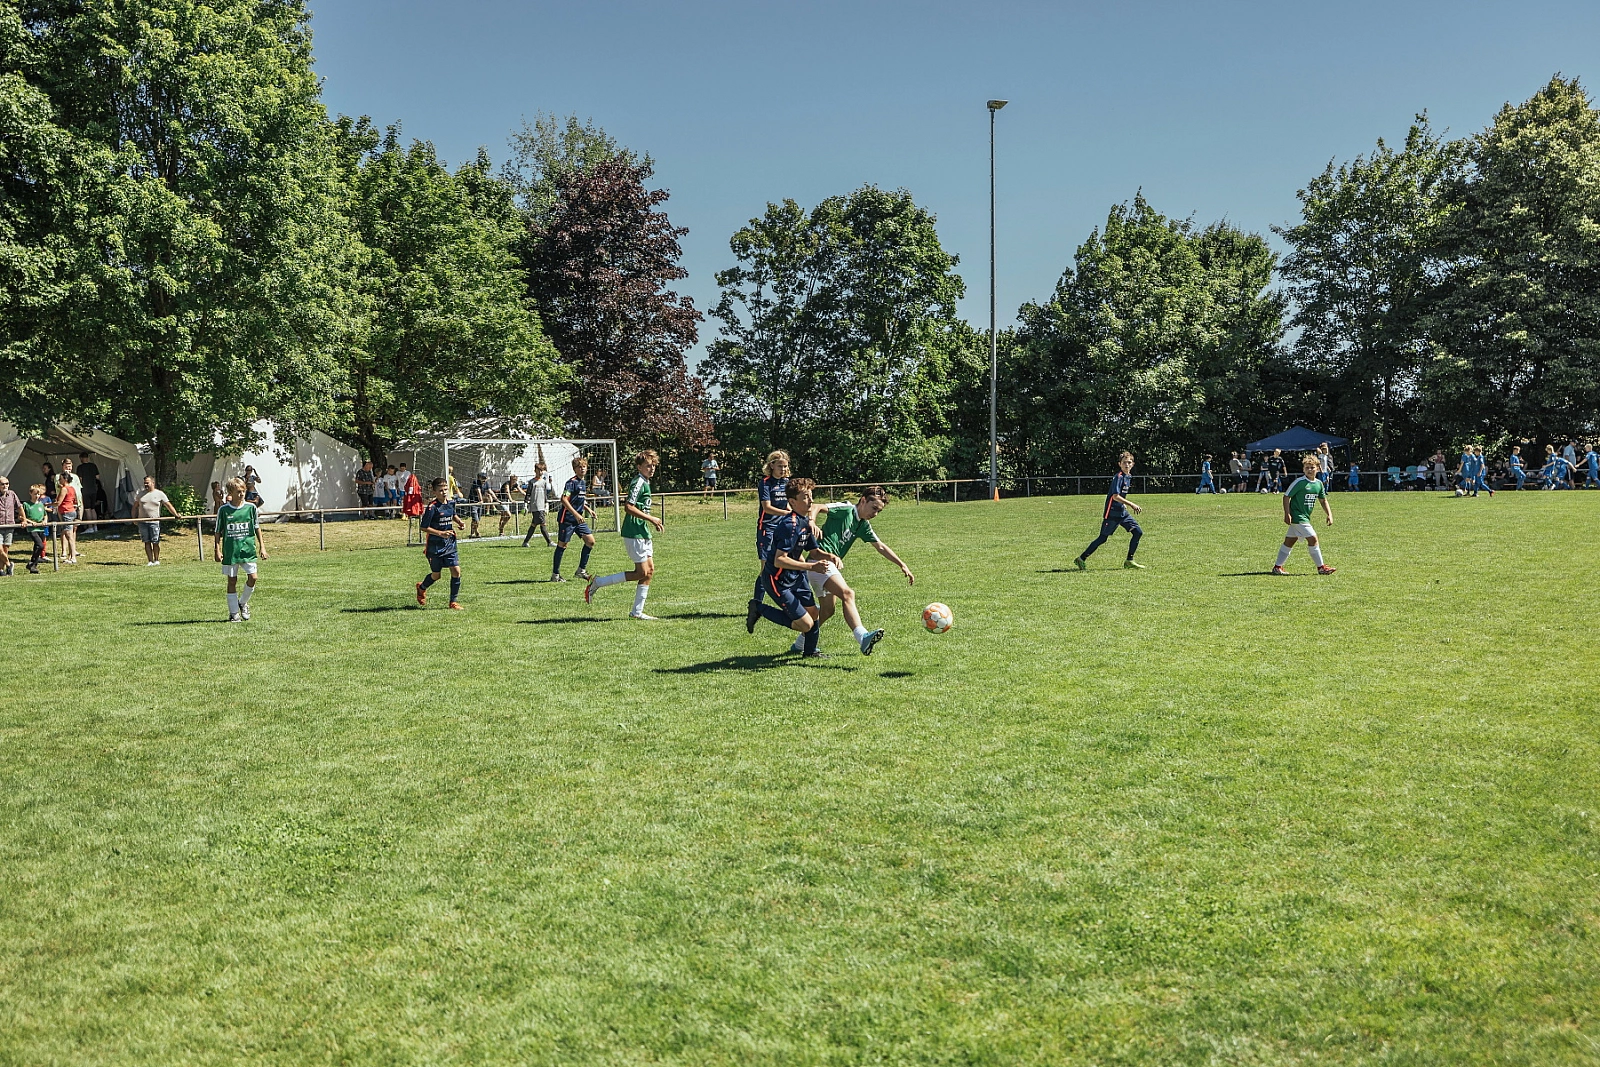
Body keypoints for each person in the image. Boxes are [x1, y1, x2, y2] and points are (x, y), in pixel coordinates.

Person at [792, 485, 913, 656]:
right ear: (863, 501)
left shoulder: (862, 525)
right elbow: (817, 506)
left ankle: (800, 643)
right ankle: (862, 637)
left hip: (825, 566)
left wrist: (902, 564)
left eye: (879, 511)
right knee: (848, 594)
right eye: (874, 508)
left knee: (827, 611)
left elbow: (880, 546)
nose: (875, 514)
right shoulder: (846, 509)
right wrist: (811, 521)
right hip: (820, 562)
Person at [744, 476, 828, 657]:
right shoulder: (789, 525)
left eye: (811, 495)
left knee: (813, 613)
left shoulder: (805, 522)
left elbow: (814, 552)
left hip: (796, 576)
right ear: (792, 502)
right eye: (805, 497)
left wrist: (829, 556)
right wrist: (811, 567)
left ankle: (810, 652)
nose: (811, 500)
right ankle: (759, 608)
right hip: (777, 580)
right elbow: (779, 560)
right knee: (805, 624)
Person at [586, 450, 665, 620]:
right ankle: (598, 582)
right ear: (639, 467)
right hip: (633, 531)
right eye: (648, 466)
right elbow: (628, 507)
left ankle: (637, 612)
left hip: (642, 531)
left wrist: (651, 522)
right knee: (642, 572)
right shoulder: (638, 482)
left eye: (653, 465)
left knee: (649, 571)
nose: (651, 468)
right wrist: (651, 518)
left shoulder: (645, 481)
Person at [1073, 451, 1145, 570]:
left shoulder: (1128, 477)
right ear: (1119, 464)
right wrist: (1131, 504)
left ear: (1133, 464)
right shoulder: (1119, 477)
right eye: (1124, 463)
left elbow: (1121, 495)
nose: (1127, 465)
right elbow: (1115, 496)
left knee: (1138, 532)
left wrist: (1123, 504)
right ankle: (1081, 558)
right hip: (1112, 513)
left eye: (1129, 462)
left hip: (1122, 513)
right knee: (1103, 538)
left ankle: (1129, 560)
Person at [1271, 454, 1335, 576]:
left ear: (1318, 468)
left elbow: (1323, 500)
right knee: (1313, 539)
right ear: (1303, 469)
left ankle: (1277, 567)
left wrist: (1329, 515)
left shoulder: (1319, 484)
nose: (1310, 470)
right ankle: (1321, 568)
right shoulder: (1299, 482)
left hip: (1305, 517)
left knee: (1289, 541)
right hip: (1298, 517)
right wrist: (1287, 514)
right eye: (1307, 468)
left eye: (1312, 467)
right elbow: (1286, 496)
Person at [214, 477, 267, 621]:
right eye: (238, 491)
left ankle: (243, 603)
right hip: (231, 551)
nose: (242, 494)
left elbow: (256, 527)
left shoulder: (251, 508)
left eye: (243, 491)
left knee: (253, 577)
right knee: (232, 581)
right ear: (230, 492)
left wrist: (262, 547)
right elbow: (218, 531)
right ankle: (233, 614)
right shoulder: (224, 510)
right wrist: (217, 550)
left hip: (248, 550)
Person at [415, 477, 465, 610]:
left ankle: (453, 602)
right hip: (435, 546)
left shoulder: (451, 503)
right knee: (436, 575)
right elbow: (424, 527)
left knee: (456, 571)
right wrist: (440, 533)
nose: (444, 492)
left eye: (446, 489)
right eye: (441, 490)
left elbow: (452, 514)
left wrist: (459, 522)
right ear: (434, 492)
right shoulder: (432, 508)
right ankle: (421, 587)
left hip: (449, 544)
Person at [753, 450, 791, 602]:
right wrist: (787, 513)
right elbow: (767, 507)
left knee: (788, 564)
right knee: (765, 569)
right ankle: (756, 604)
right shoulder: (765, 483)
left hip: (783, 529)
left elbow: (788, 504)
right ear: (772, 465)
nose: (783, 469)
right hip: (767, 529)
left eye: (785, 466)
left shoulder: (787, 483)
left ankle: (792, 603)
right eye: (780, 466)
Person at [551, 455, 595, 583]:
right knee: (562, 545)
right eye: (579, 467)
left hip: (578, 520)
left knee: (590, 541)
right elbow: (564, 499)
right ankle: (555, 575)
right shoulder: (571, 483)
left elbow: (578, 500)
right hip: (567, 519)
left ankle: (581, 570)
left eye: (584, 466)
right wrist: (576, 514)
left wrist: (588, 509)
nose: (582, 469)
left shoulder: (583, 482)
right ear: (575, 469)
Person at [133, 476, 181, 565]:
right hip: (143, 522)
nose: (146, 484)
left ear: (153, 483)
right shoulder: (140, 494)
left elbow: (168, 505)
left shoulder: (159, 494)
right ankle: (150, 561)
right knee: (146, 542)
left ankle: (156, 560)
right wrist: (134, 518)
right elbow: (135, 507)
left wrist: (176, 514)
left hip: (154, 522)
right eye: (145, 483)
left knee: (155, 542)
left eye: (147, 483)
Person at [521, 462, 555, 547]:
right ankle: (549, 542)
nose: (540, 472)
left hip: (541, 506)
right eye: (538, 470)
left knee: (534, 524)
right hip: (535, 506)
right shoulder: (532, 482)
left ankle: (525, 542)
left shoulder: (544, 482)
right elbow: (528, 494)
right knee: (543, 523)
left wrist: (546, 504)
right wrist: (525, 505)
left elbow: (545, 494)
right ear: (535, 471)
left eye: (541, 470)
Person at [21, 483, 48, 573]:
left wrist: (44, 520)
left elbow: (45, 515)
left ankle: (33, 565)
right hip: (32, 529)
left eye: (38, 494)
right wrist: (31, 522)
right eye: (35, 494)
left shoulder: (41, 504)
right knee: (40, 545)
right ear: (30, 493)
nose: (37, 496)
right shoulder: (26, 504)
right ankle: (32, 562)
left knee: (37, 547)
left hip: (40, 528)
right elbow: (22, 516)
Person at [54, 472, 80, 564]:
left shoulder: (64, 489)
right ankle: (70, 556)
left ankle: (73, 557)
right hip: (72, 511)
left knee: (69, 535)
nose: (59, 480)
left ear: (65, 479)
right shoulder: (72, 488)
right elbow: (74, 500)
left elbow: (58, 503)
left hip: (66, 512)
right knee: (69, 534)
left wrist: (47, 505)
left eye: (60, 479)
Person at [76, 452, 104, 532]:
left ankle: (90, 527)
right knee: (93, 508)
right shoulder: (93, 466)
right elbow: (97, 477)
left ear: (81, 458)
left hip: (85, 490)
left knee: (87, 509)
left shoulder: (80, 467)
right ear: (87, 458)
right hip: (93, 490)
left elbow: (80, 479)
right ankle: (95, 526)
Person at [0, 476, 21, 576]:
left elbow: (19, 507)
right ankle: (9, 564)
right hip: (0, 525)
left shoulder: (12, 494)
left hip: (9, 525)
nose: (5, 486)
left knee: (5, 549)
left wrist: (24, 519)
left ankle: (1, 570)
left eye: (7, 483)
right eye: (2, 484)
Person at [467, 472, 493, 538]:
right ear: (479, 478)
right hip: (473, 503)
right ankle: (476, 532)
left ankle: (472, 534)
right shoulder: (476, 482)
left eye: (485, 478)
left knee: (476, 519)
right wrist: (481, 500)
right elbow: (479, 492)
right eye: (483, 478)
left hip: (480, 504)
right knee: (476, 520)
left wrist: (498, 500)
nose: (484, 480)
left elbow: (490, 491)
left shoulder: (486, 483)